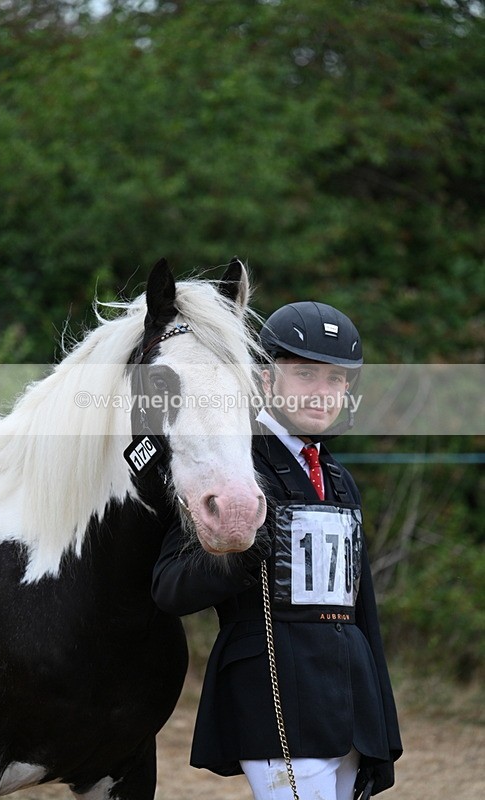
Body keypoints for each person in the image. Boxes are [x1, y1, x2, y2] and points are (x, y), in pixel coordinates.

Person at [152, 301, 402, 800]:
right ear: (265, 379)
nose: (323, 393)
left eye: (336, 380)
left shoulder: (337, 477)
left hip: (349, 708)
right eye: (305, 374)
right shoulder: (236, 465)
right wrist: (239, 553)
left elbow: (362, 612)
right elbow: (169, 587)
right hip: (275, 698)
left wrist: (382, 734)